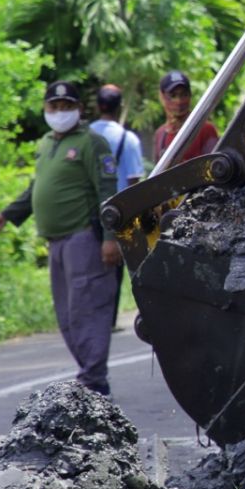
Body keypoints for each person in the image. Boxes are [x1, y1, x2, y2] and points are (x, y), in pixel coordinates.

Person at [0, 81, 120, 396]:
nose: (59, 112)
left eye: (66, 106)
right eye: (53, 107)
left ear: (79, 109)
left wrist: (111, 238)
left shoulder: (91, 143)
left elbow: (108, 192)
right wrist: (5, 215)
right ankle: (89, 377)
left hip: (84, 237)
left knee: (88, 308)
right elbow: (36, 188)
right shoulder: (44, 143)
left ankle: (94, 381)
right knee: (67, 314)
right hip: (55, 241)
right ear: (45, 109)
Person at [90, 84, 143, 329]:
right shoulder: (128, 139)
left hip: (89, 210)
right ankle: (108, 319)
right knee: (115, 267)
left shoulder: (84, 136)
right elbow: (134, 181)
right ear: (120, 105)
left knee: (90, 263)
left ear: (96, 105)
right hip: (119, 212)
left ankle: (91, 315)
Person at [152, 71, 218, 164]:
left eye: (183, 95)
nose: (179, 101)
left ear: (190, 95)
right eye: (173, 96)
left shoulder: (205, 129)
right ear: (162, 97)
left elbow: (214, 167)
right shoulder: (160, 134)